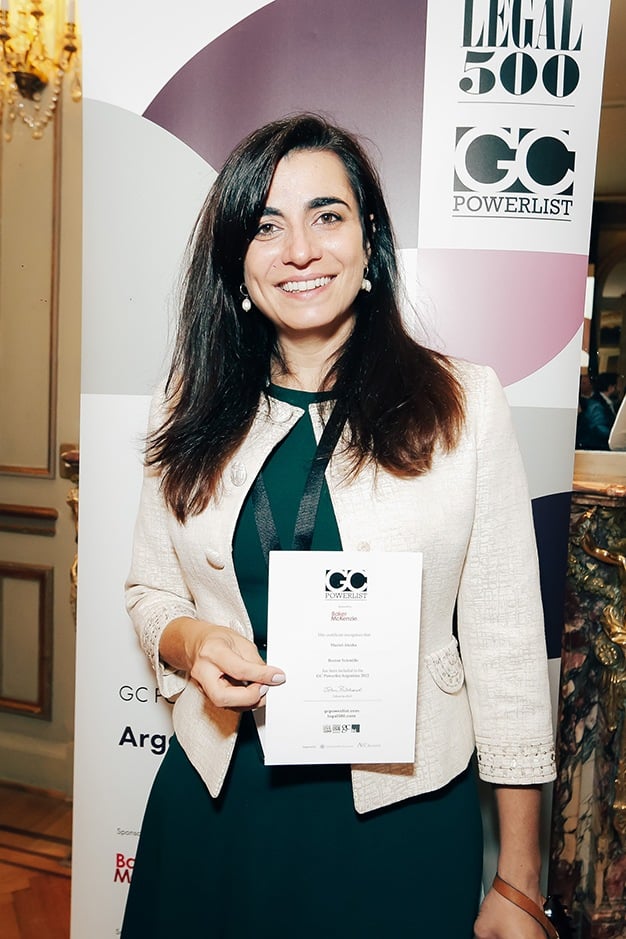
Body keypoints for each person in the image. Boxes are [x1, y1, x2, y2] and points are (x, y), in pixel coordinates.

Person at [122, 114, 556, 939]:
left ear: (370, 241)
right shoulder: (185, 401)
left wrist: (520, 880)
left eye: (327, 215)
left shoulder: (464, 403)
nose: (300, 250)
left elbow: (505, 650)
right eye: (266, 226)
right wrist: (190, 639)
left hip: (401, 817)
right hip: (219, 803)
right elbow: (150, 591)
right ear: (238, 262)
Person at [576, 371, 619, 450]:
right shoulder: (596, 405)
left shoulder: (611, 403)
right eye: (616, 386)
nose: (619, 389)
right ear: (611, 387)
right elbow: (599, 429)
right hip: (597, 446)